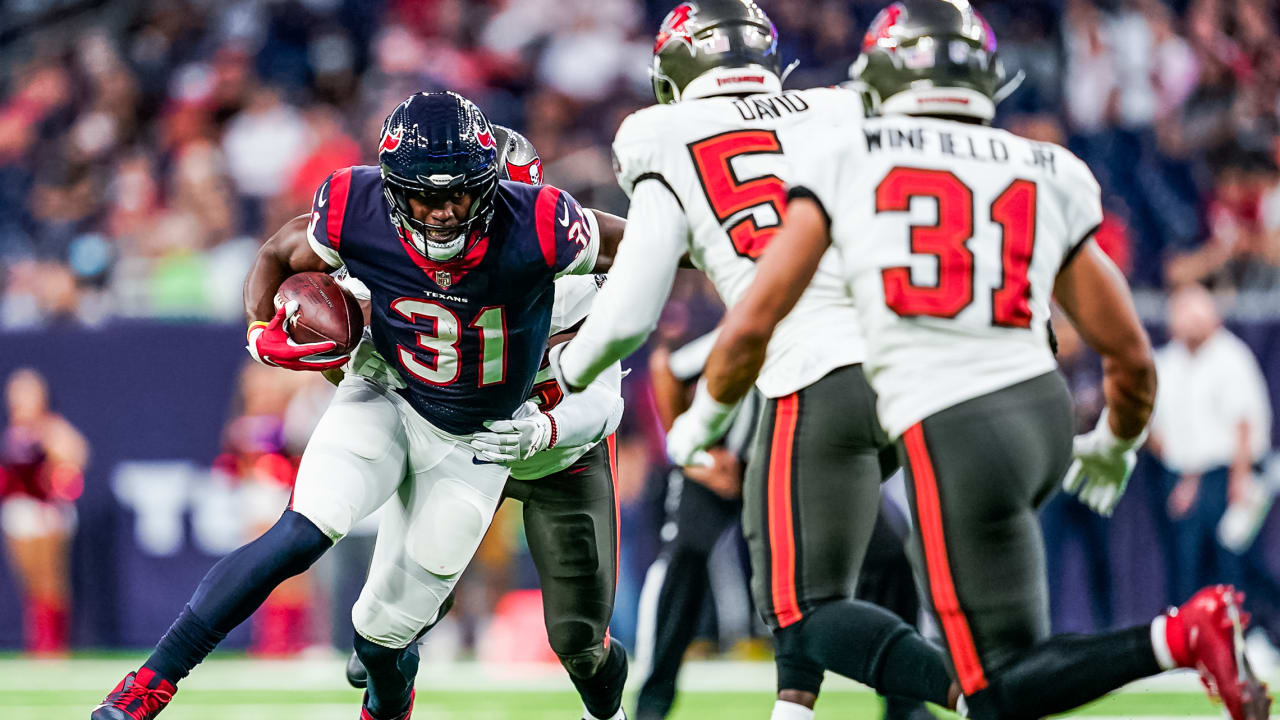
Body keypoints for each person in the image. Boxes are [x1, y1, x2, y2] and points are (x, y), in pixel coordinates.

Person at [677, 2, 1270, 719]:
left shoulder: (848, 155)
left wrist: (700, 421)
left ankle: (1178, 636)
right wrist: (1113, 446)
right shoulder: (1049, 163)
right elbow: (1130, 357)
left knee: (982, 685)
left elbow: (755, 319)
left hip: (953, 417)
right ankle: (1176, 636)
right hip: (1041, 409)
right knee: (1009, 665)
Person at [91, 91, 627, 720]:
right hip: (391, 394)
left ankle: (413, 681)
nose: (446, 215)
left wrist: (545, 429)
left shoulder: (557, 252)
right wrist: (264, 331)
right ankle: (148, 686)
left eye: (470, 195)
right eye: (426, 197)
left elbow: (613, 368)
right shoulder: (357, 206)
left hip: (495, 441)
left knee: (386, 630)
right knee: (303, 528)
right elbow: (280, 252)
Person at [551, 3, 954, 718]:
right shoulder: (835, 108)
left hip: (810, 378)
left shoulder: (661, 133)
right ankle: (802, 707)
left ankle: (982, 693)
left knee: (798, 600)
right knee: (831, 572)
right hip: (909, 358)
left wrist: (565, 376)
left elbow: (634, 313)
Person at [339, 127, 629, 720]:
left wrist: (545, 430)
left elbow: (605, 401)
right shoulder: (420, 270)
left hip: (558, 459)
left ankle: (606, 713)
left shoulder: (577, 286)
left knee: (579, 642)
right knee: (385, 630)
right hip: (461, 446)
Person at [1149, 285, 1278, 630]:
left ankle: (1249, 636)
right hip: (1178, 477)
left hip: (1227, 474)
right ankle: (1189, 640)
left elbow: (1244, 423)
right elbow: (1153, 426)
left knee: (1233, 562)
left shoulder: (1231, 356)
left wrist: (1240, 480)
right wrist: (1182, 472)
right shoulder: (1166, 362)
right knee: (1186, 564)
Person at [1, 367, 87, 654]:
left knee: (51, 578)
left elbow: (76, 455)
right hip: (18, 510)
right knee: (30, 581)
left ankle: (54, 644)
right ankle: (37, 641)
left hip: (46, 510)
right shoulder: (13, 430)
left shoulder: (49, 426)